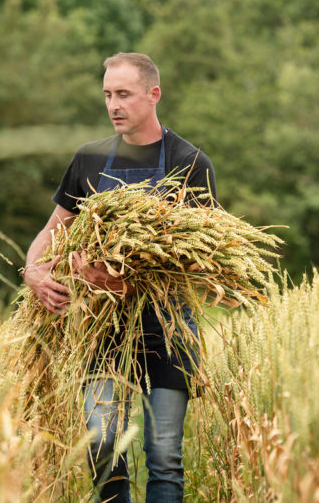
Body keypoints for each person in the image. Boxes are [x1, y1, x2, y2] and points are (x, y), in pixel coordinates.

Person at [23, 52, 216, 503]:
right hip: (101, 329)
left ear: (153, 95)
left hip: (167, 328)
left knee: (164, 457)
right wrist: (34, 271)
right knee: (103, 444)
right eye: (108, 94)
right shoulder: (88, 160)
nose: (113, 104)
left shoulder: (189, 163)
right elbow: (54, 231)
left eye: (124, 94)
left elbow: (205, 259)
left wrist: (129, 281)